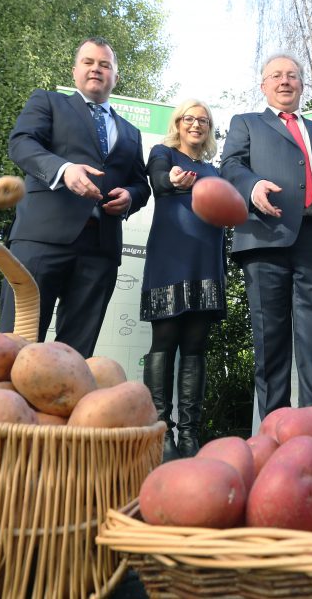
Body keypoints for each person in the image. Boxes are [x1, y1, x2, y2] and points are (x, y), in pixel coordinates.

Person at [0, 37, 151, 358]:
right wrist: (64, 170)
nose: (96, 69)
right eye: (89, 62)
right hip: (41, 241)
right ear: (75, 71)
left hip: (100, 251)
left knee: (73, 359)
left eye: (105, 64)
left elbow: (141, 184)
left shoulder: (130, 133)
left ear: (115, 77)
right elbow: (22, 144)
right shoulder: (49, 102)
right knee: (16, 347)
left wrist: (130, 196)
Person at [220, 53, 312, 420]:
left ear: (303, 85)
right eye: (276, 76)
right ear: (264, 86)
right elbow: (229, 165)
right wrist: (252, 185)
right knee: (269, 340)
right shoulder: (245, 124)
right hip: (264, 237)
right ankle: (275, 428)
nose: (284, 81)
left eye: (292, 75)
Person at [140, 99, 225, 459]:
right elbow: (158, 180)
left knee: (195, 346)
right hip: (170, 259)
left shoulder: (214, 170)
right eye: (190, 119)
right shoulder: (163, 154)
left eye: (203, 120)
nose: (196, 125)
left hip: (206, 262)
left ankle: (190, 435)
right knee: (165, 341)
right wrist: (170, 180)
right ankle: (162, 434)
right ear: (178, 123)